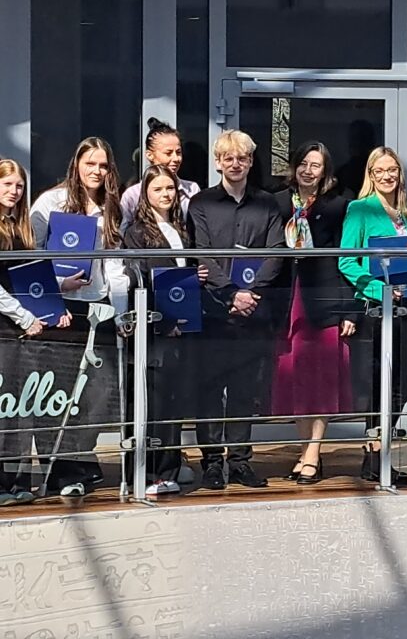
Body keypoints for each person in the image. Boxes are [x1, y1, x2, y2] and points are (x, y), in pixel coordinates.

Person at [30, 137, 131, 497]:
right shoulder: (51, 202)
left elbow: (115, 266)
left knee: (98, 392)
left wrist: (121, 314)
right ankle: (59, 469)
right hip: (59, 308)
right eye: (90, 163)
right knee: (58, 390)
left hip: (98, 306)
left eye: (103, 165)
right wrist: (59, 285)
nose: (97, 171)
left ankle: (80, 456)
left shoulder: (110, 207)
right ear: (77, 164)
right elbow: (33, 256)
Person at [186, 130, 284, 490]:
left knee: (245, 391)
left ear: (250, 161)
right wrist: (231, 294)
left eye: (242, 157)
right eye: (228, 157)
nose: (235, 163)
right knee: (210, 391)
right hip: (213, 311)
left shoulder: (267, 203)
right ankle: (212, 463)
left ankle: (241, 461)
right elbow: (201, 253)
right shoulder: (201, 203)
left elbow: (277, 251)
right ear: (218, 162)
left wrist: (250, 293)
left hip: (252, 312)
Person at [272, 142, 357, 486]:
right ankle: (304, 448)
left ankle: (313, 452)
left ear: (325, 172)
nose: (308, 171)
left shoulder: (338, 205)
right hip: (286, 300)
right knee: (295, 378)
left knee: (321, 380)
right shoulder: (278, 202)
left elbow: (346, 260)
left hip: (324, 300)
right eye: (304, 164)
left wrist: (349, 309)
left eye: (316, 165)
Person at [123, 165, 208, 497]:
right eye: (158, 189)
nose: (165, 195)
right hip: (155, 330)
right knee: (151, 403)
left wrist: (197, 275)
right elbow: (142, 279)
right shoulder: (137, 233)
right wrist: (164, 321)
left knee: (173, 403)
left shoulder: (181, 229)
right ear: (145, 194)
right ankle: (147, 473)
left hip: (182, 330)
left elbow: (180, 276)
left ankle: (169, 469)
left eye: (170, 188)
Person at [338, 146, 407, 486]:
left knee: (402, 383)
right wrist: (378, 289)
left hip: (405, 308)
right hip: (375, 309)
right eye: (379, 170)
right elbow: (346, 260)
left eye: (392, 170)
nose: (387, 176)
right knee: (377, 383)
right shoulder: (360, 209)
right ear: (370, 175)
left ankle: (381, 451)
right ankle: (374, 456)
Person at [0, 160, 71, 505]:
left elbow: (31, 277)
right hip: (6, 326)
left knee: (21, 407)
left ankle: (16, 480)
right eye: (7, 184)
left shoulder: (21, 227)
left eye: (19, 186)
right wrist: (24, 316)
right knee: (3, 407)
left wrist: (55, 305)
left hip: (25, 330)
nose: (14, 191)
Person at [120, 118, 201, 229]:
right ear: (150, 155)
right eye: (168, 153)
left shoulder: (191, 190)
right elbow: (123, 233)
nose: (176, 158)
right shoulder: (133, 195)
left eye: (178, 152)